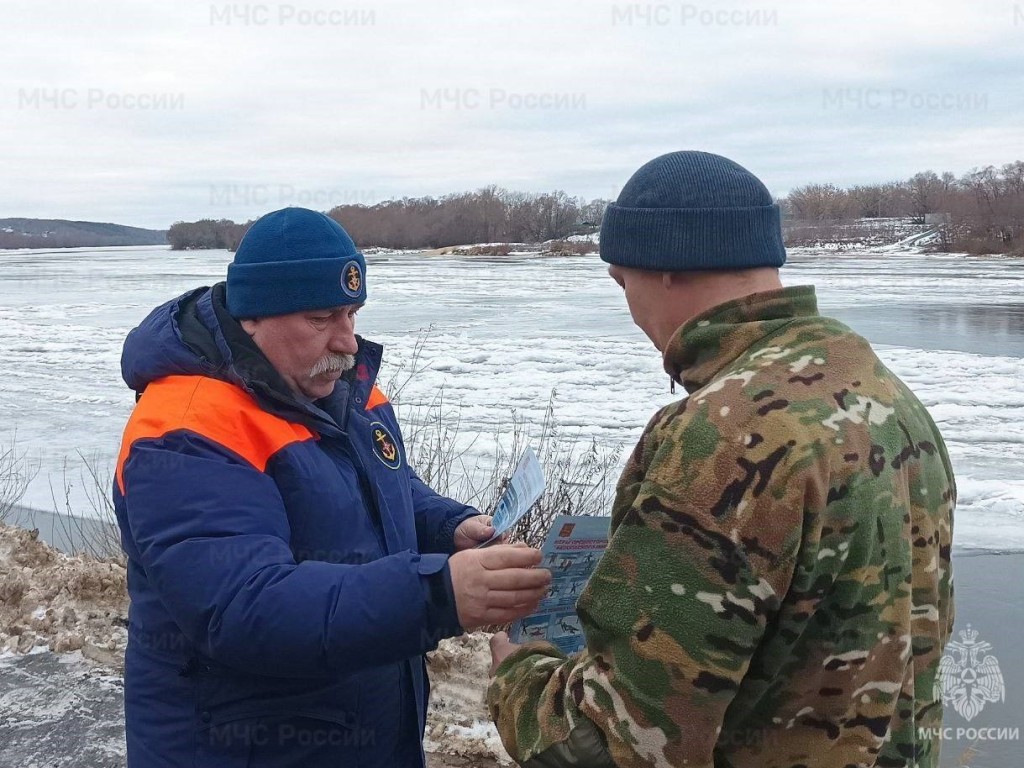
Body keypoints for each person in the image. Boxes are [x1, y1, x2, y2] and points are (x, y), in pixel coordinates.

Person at [487, 151, 956, 768]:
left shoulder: (723, 436)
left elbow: (606, 746)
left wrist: (517, 675)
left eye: (623, 282)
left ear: (665, 270)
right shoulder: (883, 393)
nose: (631, 311)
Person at [112, 207, 551, 768]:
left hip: (358, 725)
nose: (348, 342)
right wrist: (434, 594)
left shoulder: (336, 384)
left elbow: (382, 491)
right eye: (322, 318)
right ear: (252, 317)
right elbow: (243, 607)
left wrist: (449, 527)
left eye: (352, 312)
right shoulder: (184, 433)